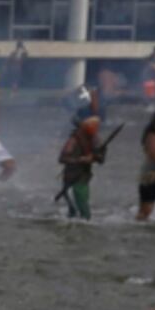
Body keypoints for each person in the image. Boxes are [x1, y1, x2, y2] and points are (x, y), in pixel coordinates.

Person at [55, 90, 111, 221]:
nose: (95, 126)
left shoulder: (96, 140)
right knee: (79, 215)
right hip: (72, 180)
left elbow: (101, 160)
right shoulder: (74, 139)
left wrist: (97, 155)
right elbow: (62, 158)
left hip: (83, 180)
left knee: (84, 215)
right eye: (92, 123)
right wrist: (81, 159)